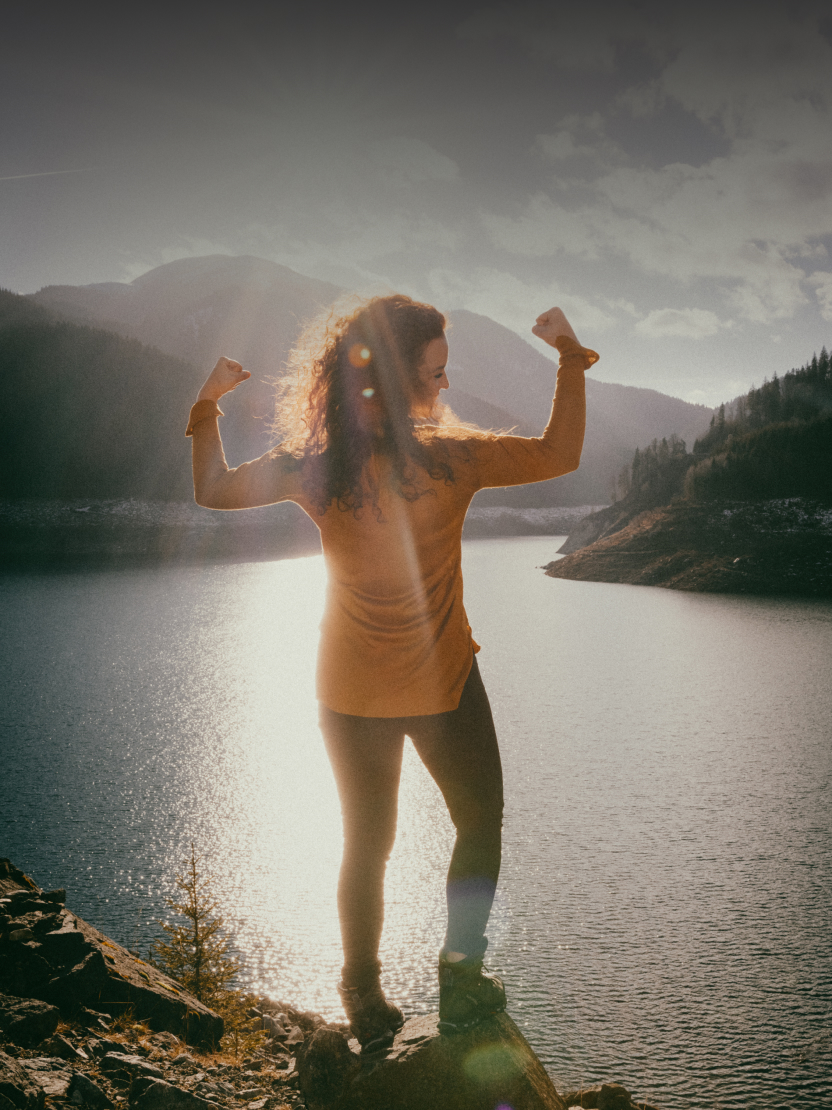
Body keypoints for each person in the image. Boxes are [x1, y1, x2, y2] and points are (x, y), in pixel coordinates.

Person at [186, 296, 598, 1051]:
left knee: (365, 845)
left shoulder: (315, 466)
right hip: (443, 685)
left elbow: (212, 489)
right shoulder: (452, 457)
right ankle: (460, 978)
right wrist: (570, 357)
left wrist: (207, 404)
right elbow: (560, 454)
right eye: (436, 373)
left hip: (350, 693)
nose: (445, 385)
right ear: (403, 377)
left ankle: (363, 995)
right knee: (479, 822)